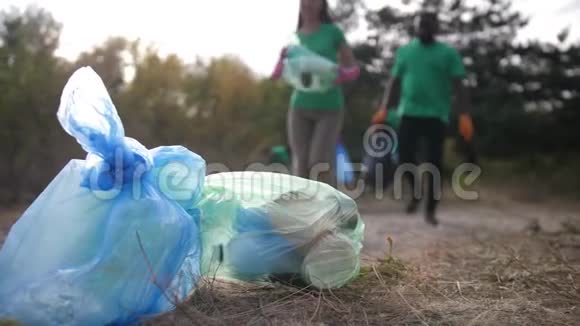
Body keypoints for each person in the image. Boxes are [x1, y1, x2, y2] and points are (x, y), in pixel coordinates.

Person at [375, 11, 474, 226]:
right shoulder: (405, 52)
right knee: (403, 157)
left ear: (435, 28)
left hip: (436, 116)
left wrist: (464, 114)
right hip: (408, 113)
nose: (424, 29)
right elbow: (394, 82)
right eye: (420, 26)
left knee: (434, 162)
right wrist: (384, 108)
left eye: (428, 25)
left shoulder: (448, 54)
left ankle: (431, 209)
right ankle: (416, 192)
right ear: (415, 28)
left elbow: (459, 84)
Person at [271, 0, 359, 186]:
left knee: (319, 161)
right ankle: (303, 212)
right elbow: (280, 75)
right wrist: (280, 63)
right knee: (300, 164)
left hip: (329, 108)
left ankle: (330, 208)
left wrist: (342, 74)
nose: (308, 4)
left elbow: (353, 68)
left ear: (322, 4)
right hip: (299, 107)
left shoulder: (332, 33)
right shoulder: (294, 37)